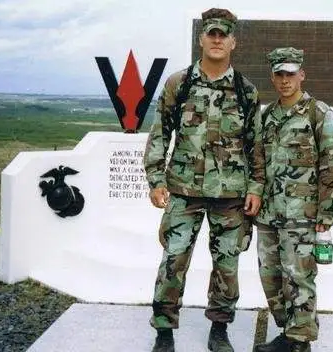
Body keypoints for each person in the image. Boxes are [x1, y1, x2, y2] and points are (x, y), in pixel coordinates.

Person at [142, 8, 265, 352]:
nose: (216, 39)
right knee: (173, 259)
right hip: (183, 190)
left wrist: (256, 187)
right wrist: (155, 179)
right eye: (210, 33)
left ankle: (220, 329)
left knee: (227, 265)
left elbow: (257, 146)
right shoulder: (178, 84)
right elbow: (159, 133)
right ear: (201, 39)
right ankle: (164, 330)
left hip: (231, 195)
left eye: (222, 34)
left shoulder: (245, 90)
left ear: (233, 42)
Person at [253, 47, 333, 352]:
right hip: (269, 216)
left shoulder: (317, 113)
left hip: (302, 217)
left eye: (290, 74)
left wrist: (326, 217)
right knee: (271, 278)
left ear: (301, 75)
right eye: (279, 74)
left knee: (300, 278)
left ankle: (299, 340)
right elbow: (257, 161)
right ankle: (289, 331)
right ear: (273, 77)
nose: (284, 80)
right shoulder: (266, 116)